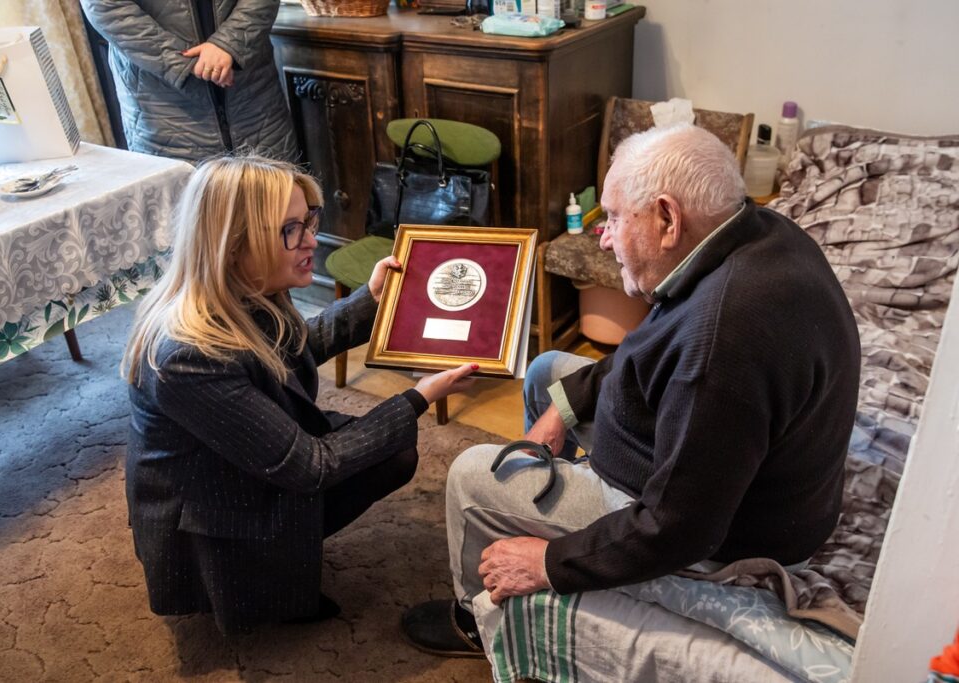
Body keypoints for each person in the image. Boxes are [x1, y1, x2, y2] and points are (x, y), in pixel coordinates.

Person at [402, 123, 861, 656]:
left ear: (667, 218)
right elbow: (652, 345)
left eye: (615, 217)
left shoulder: (723, 339)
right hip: (708, 462)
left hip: (727, 536)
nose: (604, 235)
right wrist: (564, 407)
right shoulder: (750, 233)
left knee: (469, 475)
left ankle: (475, 622)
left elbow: (682, 528)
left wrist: (549, 562)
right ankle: (567, 492)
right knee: (548, 372)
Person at [121, 155, 477, 635]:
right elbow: (312, 466)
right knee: (380, 448)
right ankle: (254, 578)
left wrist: (372, 299)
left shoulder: (243, 287)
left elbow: (295, 348)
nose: (311, 240)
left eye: (309, 219)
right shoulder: (186, 354)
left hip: (240, 462)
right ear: (233, 245)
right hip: (211, 506)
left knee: (391, 452)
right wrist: (418, 397)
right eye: (291, 229)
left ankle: (277, 558)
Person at [81, 0, 298, 161]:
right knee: (189, 216)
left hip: (254, 97)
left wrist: (229, 44)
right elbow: (105, 7)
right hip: (163, 108)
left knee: (281, 213)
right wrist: (184, 63)